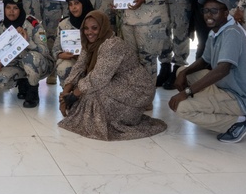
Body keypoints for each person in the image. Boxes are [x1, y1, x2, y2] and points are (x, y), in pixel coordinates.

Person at [59, 10, 166, 140]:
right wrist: (65, 95)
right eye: (86, 28)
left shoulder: (111, 45)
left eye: (94, 28)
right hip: (117, 83)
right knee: (83, 90)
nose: (89, 32)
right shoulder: (89, 44)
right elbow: (79, 67)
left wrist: (73, 96)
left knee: (91, 93)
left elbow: (97, 79)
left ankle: (127, 116)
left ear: (103, 27)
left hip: (136, 90)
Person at [169, 0, 246, 143]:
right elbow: (205, 60)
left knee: (182, 107)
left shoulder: (231, 33)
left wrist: (187, 92)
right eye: (205, 11)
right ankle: (207, 104)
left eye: (214, 11)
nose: (208, 15)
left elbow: (222, 69)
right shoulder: (216, 31)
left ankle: (237, 123)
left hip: (240, 98)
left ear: (226, 13)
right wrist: (184, 72)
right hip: (224, 87)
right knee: (182, 72)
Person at [0, 0, 52, 108]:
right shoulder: (0, 26)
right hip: (16, 64)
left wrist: (28, 42)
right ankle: (23, 82)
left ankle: (33, 92)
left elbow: (45, 51)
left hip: (39, 64)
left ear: (21, 9)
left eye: (15, 8)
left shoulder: (33, 23)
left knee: (30, 58)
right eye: (8, 8)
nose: (11, 11)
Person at [52, 0, 94, 84]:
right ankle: (68, 95)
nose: (73, 7)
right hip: (72, 61)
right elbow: (55, 50)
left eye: (76, 3)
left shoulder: (96, 21)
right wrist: (61, 54)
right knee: (64, 67)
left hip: (93, 61)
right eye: (70, 4)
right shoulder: (64, 24)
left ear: (84, 3)